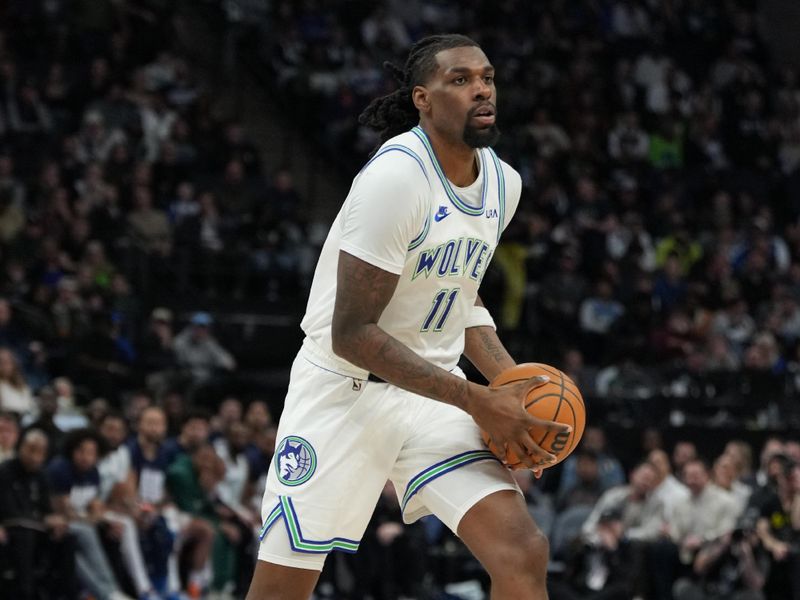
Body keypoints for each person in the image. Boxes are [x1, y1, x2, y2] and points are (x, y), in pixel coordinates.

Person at [247, 34, 569, 600]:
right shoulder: (395, 179)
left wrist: (513, 392)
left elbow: (460, 297)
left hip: (432, 399)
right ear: (422, 98)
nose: (481, 90)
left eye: (487, 78)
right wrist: (478, 401)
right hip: (343, 393)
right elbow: (353, 334)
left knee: (523, 552)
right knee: (280, 591)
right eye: (460, 80)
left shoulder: (503, 183)